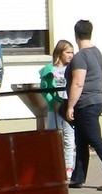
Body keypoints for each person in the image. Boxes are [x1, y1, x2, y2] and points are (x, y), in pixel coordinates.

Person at [65, 19, 102, 190]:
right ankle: (77, 177)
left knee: (95, 140)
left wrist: (70, 106)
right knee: (81, 140)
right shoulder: (96, 52)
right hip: (97, 100)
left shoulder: (81, 57)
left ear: (76, 35)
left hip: (86, 103)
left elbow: (78, 83)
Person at [40, 40, 76, 178]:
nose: (71, 55)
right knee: (53, 137)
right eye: (68, 52)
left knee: (69, 137)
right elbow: (44, 89)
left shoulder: (73, 69)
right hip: (54, 108)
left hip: (67, 107)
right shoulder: (49, 70)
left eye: (72, 52)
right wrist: (52, 102)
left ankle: (68, 167)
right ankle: (53, 165)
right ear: (60, 53)